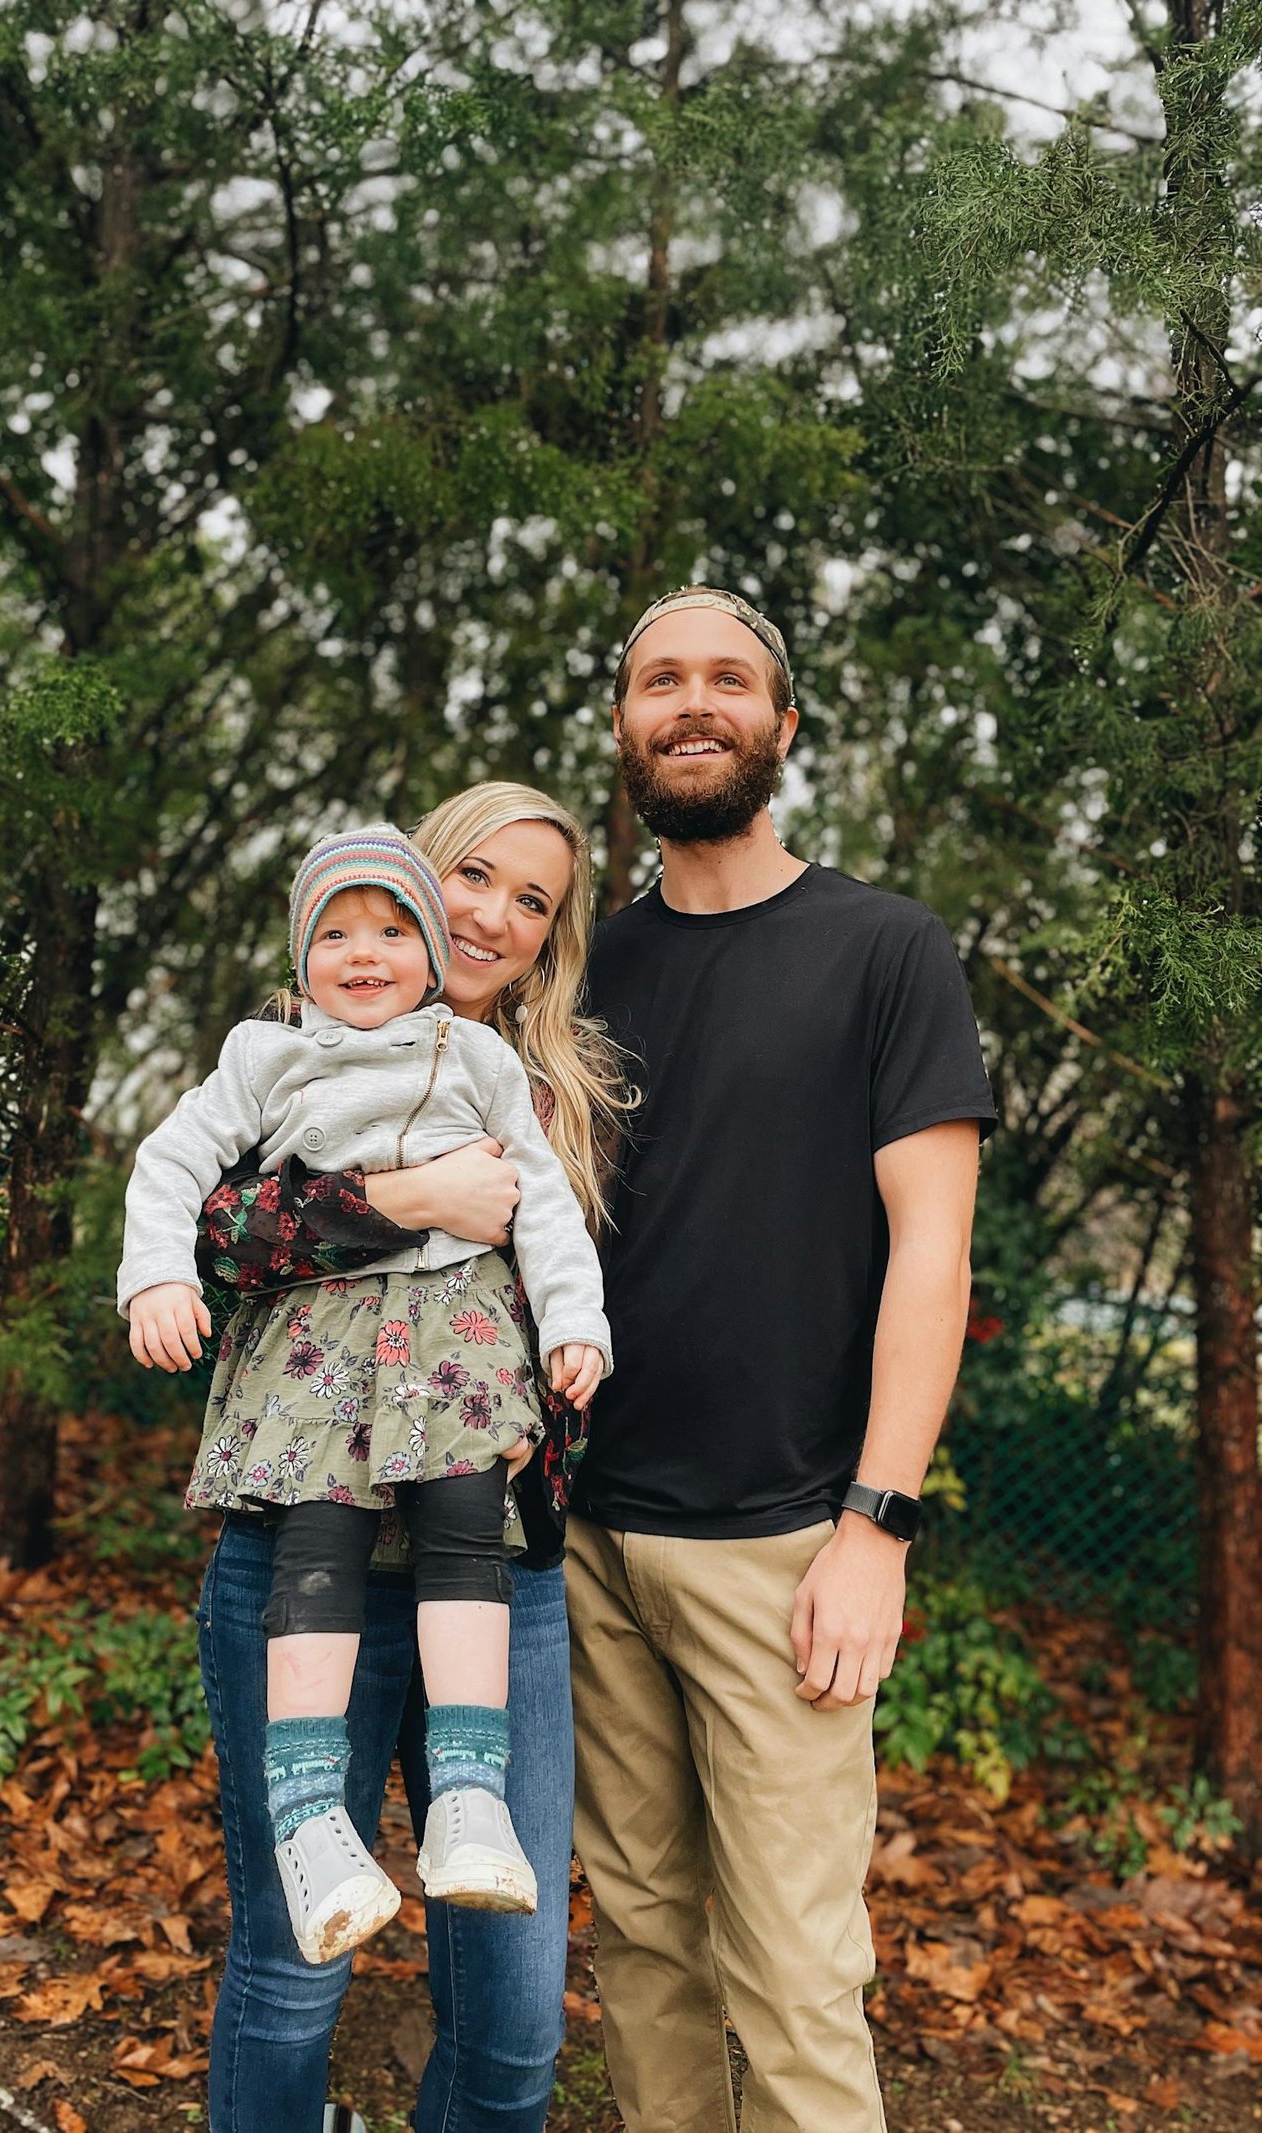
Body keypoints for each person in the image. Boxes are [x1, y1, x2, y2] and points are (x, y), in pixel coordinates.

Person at [567, 586, 997, 2133]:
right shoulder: (588, 971)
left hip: (789, 1544)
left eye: (728, 679)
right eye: (659, 679)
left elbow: (931, 1255)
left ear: (782, 725)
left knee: (800, 1980)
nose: (694, 701)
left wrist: (877, 1524)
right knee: (644, 1952)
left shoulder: (884, 949)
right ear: (624, 727)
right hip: (592, 1540)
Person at [142, 785, 634, 2132]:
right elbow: (211, 1232)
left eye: (531, 899)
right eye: (472, 873)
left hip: (498, 1573)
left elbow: (564, 1295)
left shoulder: (549, 1096)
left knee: (520, 2021)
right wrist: (402, 1202)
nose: (493, 912)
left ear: (549, 937)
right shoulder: (297, 1040)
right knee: (295, 1974)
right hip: (310, 1561)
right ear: (416, 885)